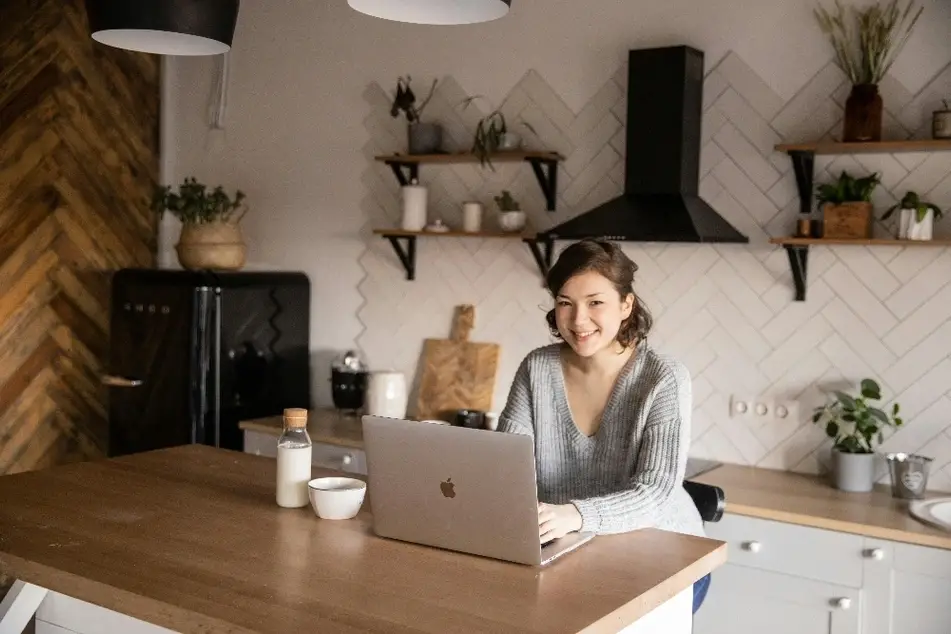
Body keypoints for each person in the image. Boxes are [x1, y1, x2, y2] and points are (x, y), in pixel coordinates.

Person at [497, 238, 710, 612]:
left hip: (664, 557)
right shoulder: (537, 368)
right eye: (565, 303)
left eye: (595, 302)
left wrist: (575, 514)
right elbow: (505, 468)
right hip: (567, 551)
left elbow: (656, 495)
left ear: (626, 305)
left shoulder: (663, 378)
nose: (578, 320)